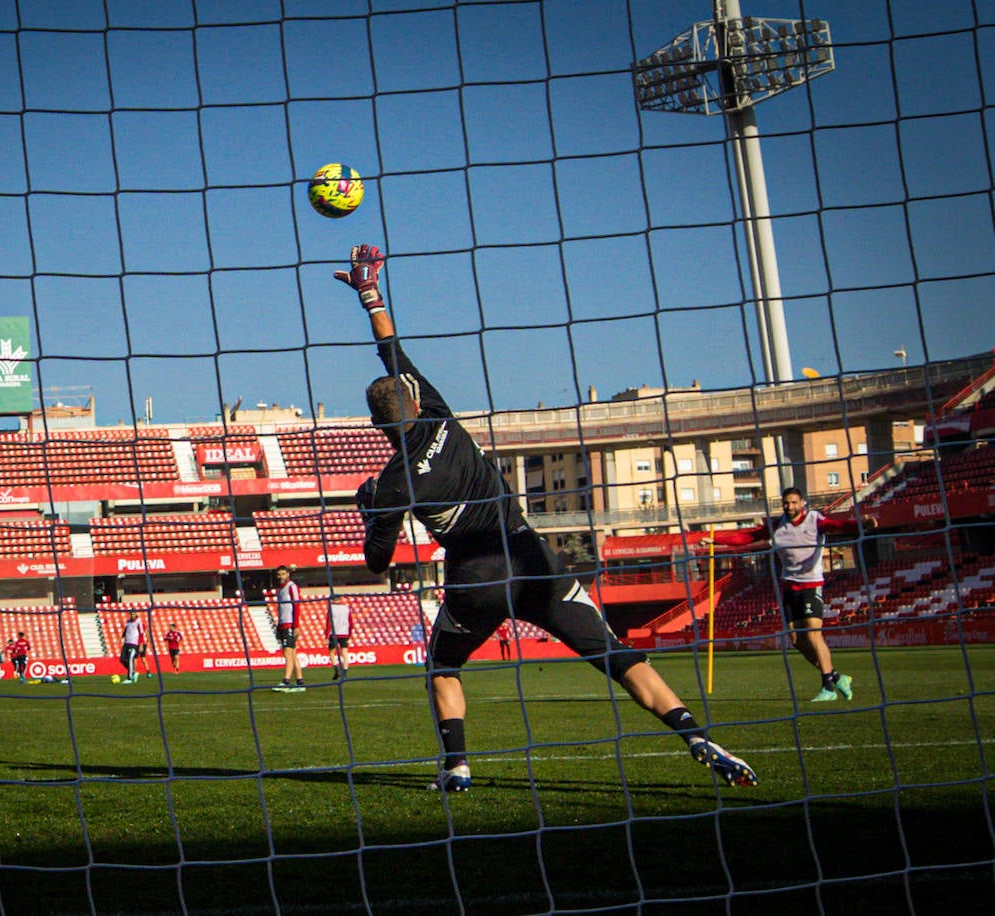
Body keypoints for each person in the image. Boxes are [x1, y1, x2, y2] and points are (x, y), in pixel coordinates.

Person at [336, 243, 757, 792]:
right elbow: (390, 347)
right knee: (618, 656)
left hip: (475, 579)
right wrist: (370, 293)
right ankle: (696, 736)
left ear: (377, 426)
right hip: (534, 560)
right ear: (415, 403)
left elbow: (376, 563)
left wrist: (373, 511)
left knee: (443, 667)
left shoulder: (394, 483)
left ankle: (458, 767)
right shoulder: (439, 414)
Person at [708, 487, 876, 703]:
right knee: (796, 639)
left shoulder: (815, 520)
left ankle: (828, 688)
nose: (790, 507)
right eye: (786, 503)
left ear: (802, 503)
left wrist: (862, 524)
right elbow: (747, 537)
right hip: (789, 586)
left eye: (794, 502)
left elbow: (838, 526)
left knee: (813, 634)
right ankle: (837, 677)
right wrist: (717, 540)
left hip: (811, 584)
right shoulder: (778, 525)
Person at [271, 566, 306, 693]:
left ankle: (285, 681)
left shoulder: (292, 587)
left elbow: (296, 605)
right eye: (279, 574)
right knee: (292, 653)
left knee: (288, 653)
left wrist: (296, 625)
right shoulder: (280, 589)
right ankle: (300, 682)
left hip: (289, 624)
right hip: (282, 624)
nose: (281, 576)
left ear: (288, 574)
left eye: (283, 574)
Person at [326, 602, 351, 680]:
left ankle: (336, 670)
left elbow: (328, 622)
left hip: (334, 633)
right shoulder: (346, 608)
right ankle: (344, 672)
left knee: (332, 652)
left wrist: (326, 636)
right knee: (344, 653)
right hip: (344, 633)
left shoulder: (331, 608)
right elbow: (351, 622)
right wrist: (349, 635)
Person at [119, 610, 145, 684]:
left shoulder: (138, 622)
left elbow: (141, 634)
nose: (132, 615)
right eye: (131, 614)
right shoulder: (128, 622)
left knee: (130, 659)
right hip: (126, 643)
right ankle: (133, 672)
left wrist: (141, 645)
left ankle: (129, 678)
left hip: (134, 643)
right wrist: (121, 637)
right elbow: (126, 630)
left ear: (136, 614)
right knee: (122, 659)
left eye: (133, 614)